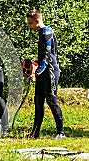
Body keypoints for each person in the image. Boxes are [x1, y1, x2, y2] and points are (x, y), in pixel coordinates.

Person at [26, 9, 65, 139]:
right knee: (38, 101)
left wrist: (36, 73)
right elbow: (42, 56)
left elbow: (48, 57)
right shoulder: (41, 33)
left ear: (37, 21)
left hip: (50, 72)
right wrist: (34, 63)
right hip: (43, 72)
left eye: (30, 23)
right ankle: (35, 133)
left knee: (51, 100)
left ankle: (60, 132)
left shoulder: (46, 32)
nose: (29, 26)